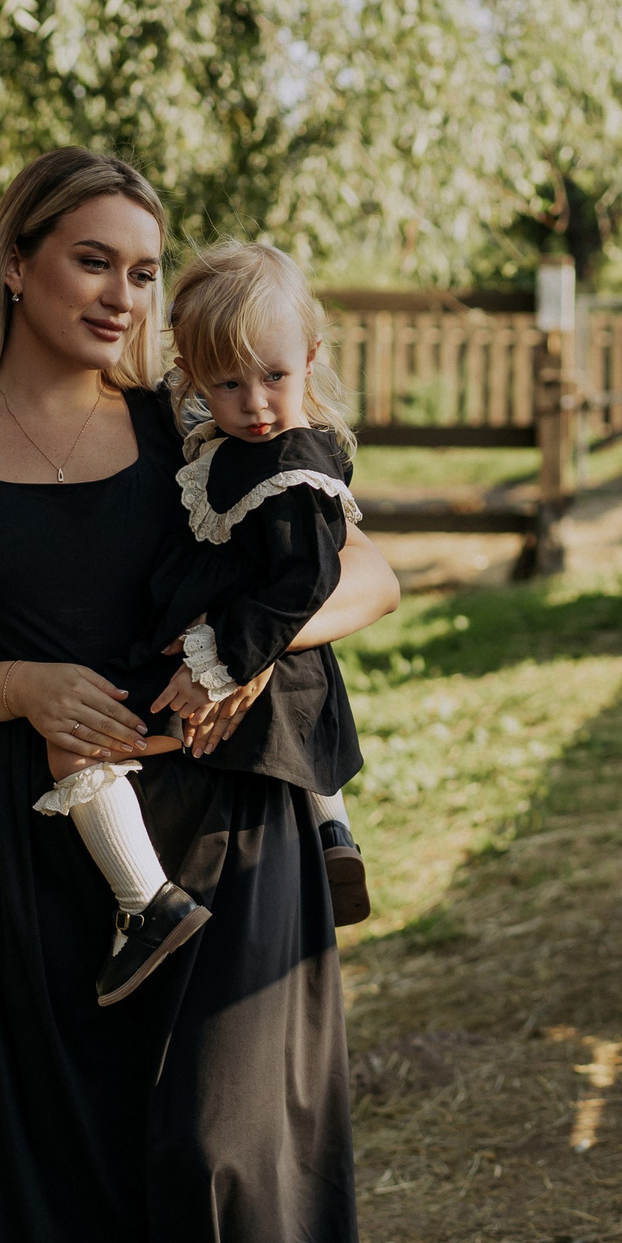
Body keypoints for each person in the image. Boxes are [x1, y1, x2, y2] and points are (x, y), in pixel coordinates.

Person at [0, 147, 397, 1243]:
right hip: (32, 850)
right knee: (67, 1208)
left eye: (143, 272)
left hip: (232, 833)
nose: (123, 297)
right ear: (17, 262)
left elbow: (370, 575)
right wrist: (22, 687)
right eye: (93, 261)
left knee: (222, 1172)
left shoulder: (187, 420)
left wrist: (243, 652)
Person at [152, 243, 372, 927]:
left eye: (273, 376)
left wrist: (223, 658)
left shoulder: (296, 465)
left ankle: (326, 836)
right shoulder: (228, 443)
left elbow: (308, 577)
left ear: (310, 356)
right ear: (192, 377)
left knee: (268, 789)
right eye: (226, 385)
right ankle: (329, 833)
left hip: (268, 658)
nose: (254, 404)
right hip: (246, 640)